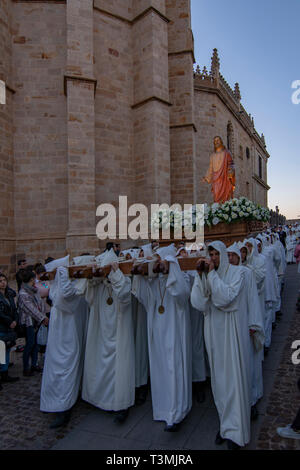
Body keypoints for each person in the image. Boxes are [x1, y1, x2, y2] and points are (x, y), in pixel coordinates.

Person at [191, 241, 251, 450]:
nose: (214, 258)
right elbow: (198, 303)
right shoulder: (208, 274)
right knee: (219, 382)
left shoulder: (238, 273)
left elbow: (226, 298)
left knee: (233, 380)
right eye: (211, 254)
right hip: (213, 333)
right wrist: (201, 277)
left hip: (231, 333)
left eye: (217, 254)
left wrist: (211, 275)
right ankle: (226, 425)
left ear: (224, 255)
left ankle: (237, 431)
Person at [132, 244, 192, 432]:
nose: (158, 264)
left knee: (174, 369)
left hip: (174, 332)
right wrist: (139, 276)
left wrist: (171, 269)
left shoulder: (180, 278)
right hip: (157, 333)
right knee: (160, 370)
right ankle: (163, 410)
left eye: (161, 260)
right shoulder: (154, 282)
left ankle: (177, 412)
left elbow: (182, 294)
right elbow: (144, 298)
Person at [80, 249, 135, 423]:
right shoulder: (98, 285)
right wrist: (91, 279)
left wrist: (115, 274)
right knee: (100, 363)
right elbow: (87, 298)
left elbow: (125, 296)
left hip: (119, 331)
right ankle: (99, 398)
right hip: (101, 329)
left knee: (118, 368)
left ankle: (120, 403)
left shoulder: (122, 279)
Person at [40, 263, 89, 429]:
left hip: (68, 339)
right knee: (56, 370)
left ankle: (63, 407)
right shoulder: (63, 292)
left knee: (65, 370)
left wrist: (61, 274)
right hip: (59, 338)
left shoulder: (72, 293)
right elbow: (54, 293)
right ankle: (53, 403)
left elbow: (64, 295)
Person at [17, 270, 49, 376]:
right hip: (29, 322)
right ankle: (26, 368)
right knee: (30, 344)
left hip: (36, 321)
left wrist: (43, 315)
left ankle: (34, 364)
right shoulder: (23, 293)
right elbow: (31, 309)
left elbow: (41, 303)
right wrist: (42, 318)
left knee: (36, 345)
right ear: (31, 279)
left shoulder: (34, 290)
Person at [202, 136, 235, 203]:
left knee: (226, 198)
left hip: (225, 178)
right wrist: (206, 177)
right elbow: (210, 168)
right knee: (216, 197)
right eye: (215, 141)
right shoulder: (212, 156)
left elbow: (231, 163)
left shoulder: (227, 153)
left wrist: (231, 170)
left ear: (221, 142)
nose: (216, 142)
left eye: (218, 140)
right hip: (216, 180)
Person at [0, 273, 19, 385]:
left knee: (7, 350)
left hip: (9, 327)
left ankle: (5, 373)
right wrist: (9, 321)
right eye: (0, 281)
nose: (3, 282)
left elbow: (14, 309)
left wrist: (15, 320)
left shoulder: (9, 295)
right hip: (2, 326)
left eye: (4, 280)